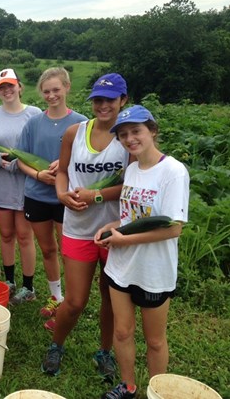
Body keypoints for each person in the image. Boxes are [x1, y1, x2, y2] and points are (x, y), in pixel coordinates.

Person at [96, 105, 189, 399]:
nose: (130, 139)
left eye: (136, 131)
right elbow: (129, 218)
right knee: (122, 332)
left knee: (155, 341)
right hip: (121, 266)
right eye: (123, 134)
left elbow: (173, 228)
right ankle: (129, 385)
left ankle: (156, 390)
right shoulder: (133, 169)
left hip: (153, 271)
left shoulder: (173, 171)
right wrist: (111, 228)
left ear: (152, 131)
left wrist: (124, 240)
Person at [41, 73, 130, 382]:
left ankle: (104, 351)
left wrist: (98, 195)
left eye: (110, 100)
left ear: (123, 101)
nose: (103, 105)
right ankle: (56, 345)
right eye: (98, 100)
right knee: (76, 300)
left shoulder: (129, 138)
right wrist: (61, 194)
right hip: (77, 226)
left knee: (110, 298)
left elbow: (133, 183)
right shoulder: (74, 133)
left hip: (113, 232)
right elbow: (63, 171)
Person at [16, 67, 87, 329]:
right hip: (37, 194)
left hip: (66, 197)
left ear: (67, 88)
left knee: (69, 251)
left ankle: (71, 303)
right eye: (46, 91)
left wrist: (66, 162)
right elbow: (19, 159)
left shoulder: (81, 123)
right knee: (47, 249)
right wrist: (38, 174)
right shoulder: (33, 123)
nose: (51, 95)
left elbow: (90, 159)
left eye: (56, 89)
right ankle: (56, 296)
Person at [0, 68, 41, 304]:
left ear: (19, 87)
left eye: (10, 85)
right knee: (6, 234)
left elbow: (40, 151)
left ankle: (29, 287)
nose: (7, 90)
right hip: (1, 185)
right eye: (2, 87)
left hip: (27, 186)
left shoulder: (34, 115)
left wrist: (23, 162)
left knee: (25, 236)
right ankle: (10, 281)